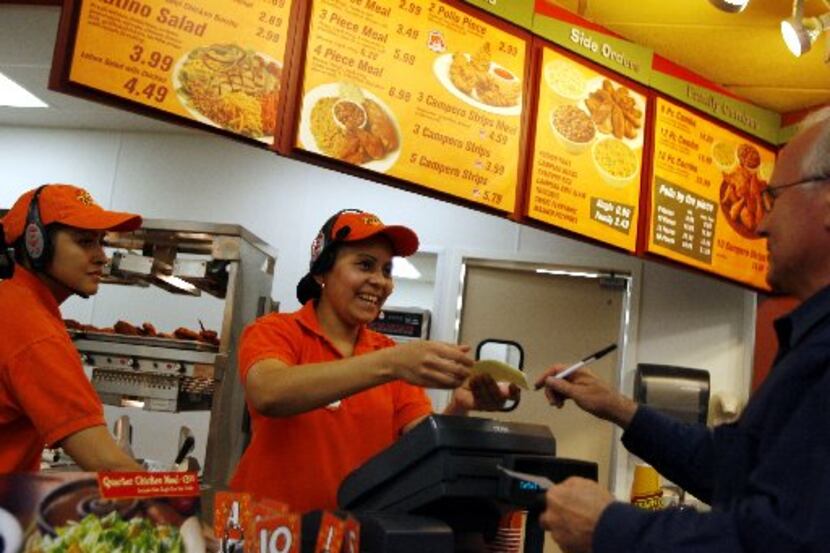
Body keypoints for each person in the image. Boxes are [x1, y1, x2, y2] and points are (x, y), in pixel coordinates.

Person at [534, 115, 830, 552]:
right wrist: (618, 408)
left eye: (774, 198)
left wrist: (611, 526)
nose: (761, 225)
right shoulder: (810, 339)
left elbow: (785, 539)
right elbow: (730, 467)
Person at [231, 209, 519, 512]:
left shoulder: (387, 353)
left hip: (353, 536)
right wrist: (390, 363)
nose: (380, 281)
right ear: (321, 272)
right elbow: (268, 392)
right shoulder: (277, 331)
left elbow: (424, 450)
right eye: (365, 265)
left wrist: (459, 407)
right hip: (265, 533)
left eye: (386, 270)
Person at [0, 184, 143, 473]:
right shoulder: (34, 331)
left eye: (102, 241)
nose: (102, 256)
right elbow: (106, 463)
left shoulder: (12, 302)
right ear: (35, 243)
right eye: (85, 241)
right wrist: (178, 509)